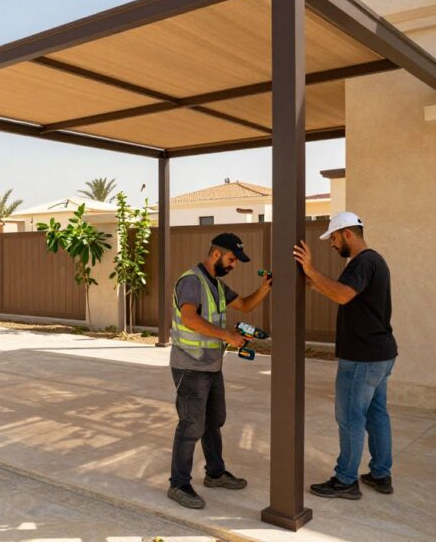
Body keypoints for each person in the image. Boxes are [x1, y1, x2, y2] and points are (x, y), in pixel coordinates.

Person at [293, 212, 397, 500]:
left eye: (335, 238)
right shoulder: (373, 261)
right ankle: (380, 475)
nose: (332, 244)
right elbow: (344, 293)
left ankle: (345, 481)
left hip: (363, 357)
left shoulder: (362, 262)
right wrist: (310, 282)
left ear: (348, 234)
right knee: (377, 414)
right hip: (381, 353)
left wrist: (311, 270)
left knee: (351, 417)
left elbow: (342, 295)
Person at [166, 232, 272, 510]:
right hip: (190, 366)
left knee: (214, 420)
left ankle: (215, 473)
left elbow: (246, 305)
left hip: (211, 365)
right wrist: (227, 336)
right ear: (216, 254)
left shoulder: (217, 285)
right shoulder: (192, 281)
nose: (234, 264)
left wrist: (266, 287)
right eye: (232, 258)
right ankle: (178, 484)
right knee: (191, 425)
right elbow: (189, 318)